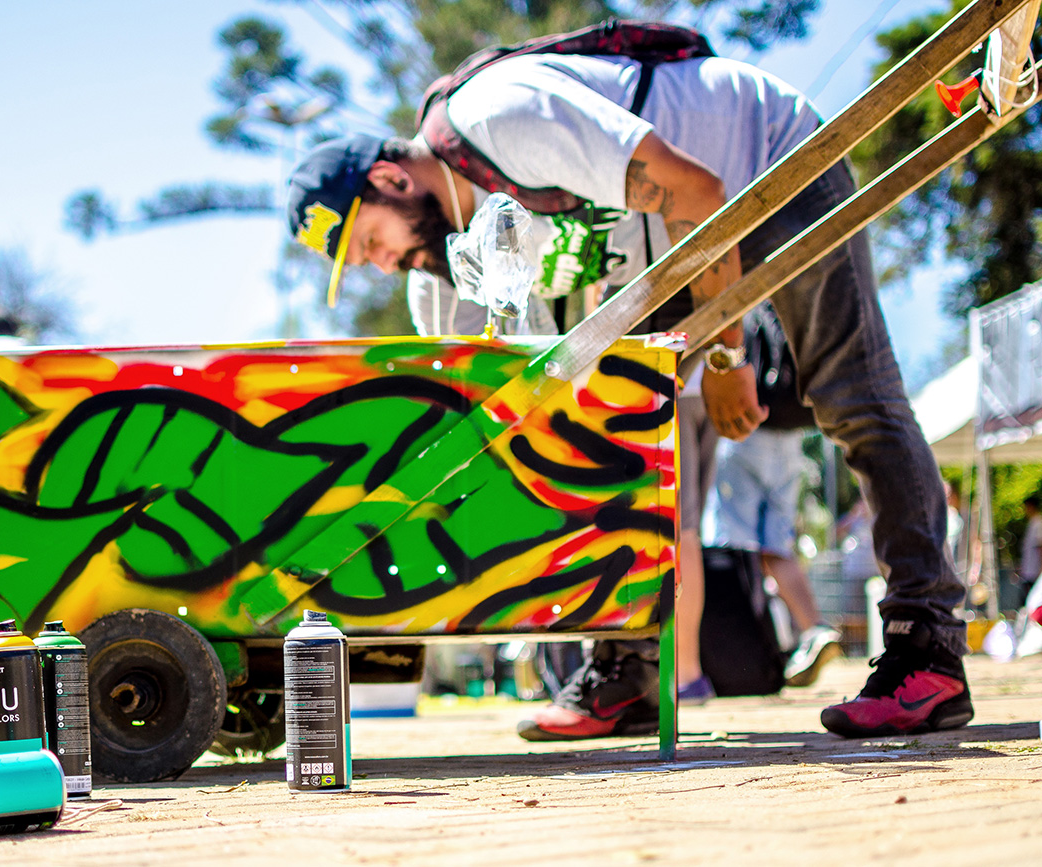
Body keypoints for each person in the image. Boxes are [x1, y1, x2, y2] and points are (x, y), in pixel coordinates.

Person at [285, 43, 971, 740]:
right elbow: (487, 408)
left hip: (766, 160)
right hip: (674, 244)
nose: (381, 263)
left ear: (388, 177)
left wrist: (729, 356)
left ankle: (929, 652)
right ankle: (632, 662)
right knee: (602, 418)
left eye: (368, 240)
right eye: (362, 260)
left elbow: (698, 192)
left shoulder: (504, 115)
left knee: (851, 392)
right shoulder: (443, 269)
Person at [703, 303, 843, 688]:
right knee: (776, 544)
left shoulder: (740, 298)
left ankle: (743, 655)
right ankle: (812, 628)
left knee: (731, 542)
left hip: (742, 425)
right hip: (790, 434)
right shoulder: (783, 300)